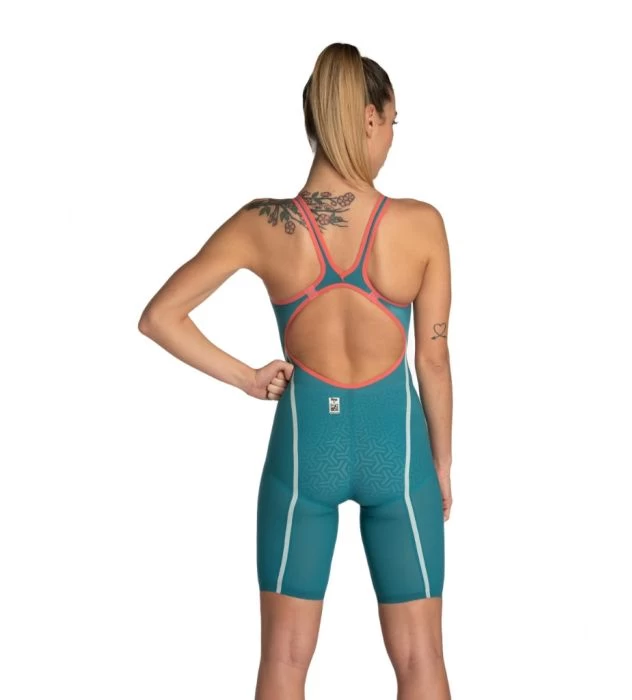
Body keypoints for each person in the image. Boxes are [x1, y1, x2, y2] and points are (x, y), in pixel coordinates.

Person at [138, 41, 453, 700]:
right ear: (369, 117)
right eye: (393, 122)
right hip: (398, 455)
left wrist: (248, 378)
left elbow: (161, 317)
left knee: (283, 659)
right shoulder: (421, 225)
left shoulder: (264, 224)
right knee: (421, 658)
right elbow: (432, 358)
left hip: (306, 449)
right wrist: (442, 466)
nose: (392, 138)